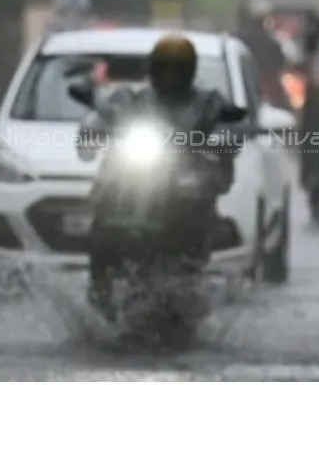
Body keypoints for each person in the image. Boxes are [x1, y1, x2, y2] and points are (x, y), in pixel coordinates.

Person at [77, 34, 238, 318]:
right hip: (135, 173)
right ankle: (99, 282)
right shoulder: (131, 97)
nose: (171, 75)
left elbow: (235, 126)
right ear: (153, 68)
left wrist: (223, 137)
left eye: (178, 68)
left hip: (185, 181)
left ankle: (188, 277)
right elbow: (102, 113)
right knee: (102, 196)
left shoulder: (208, 102)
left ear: (190, 71)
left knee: (196, 208)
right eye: (164, 67)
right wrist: (93, 128)